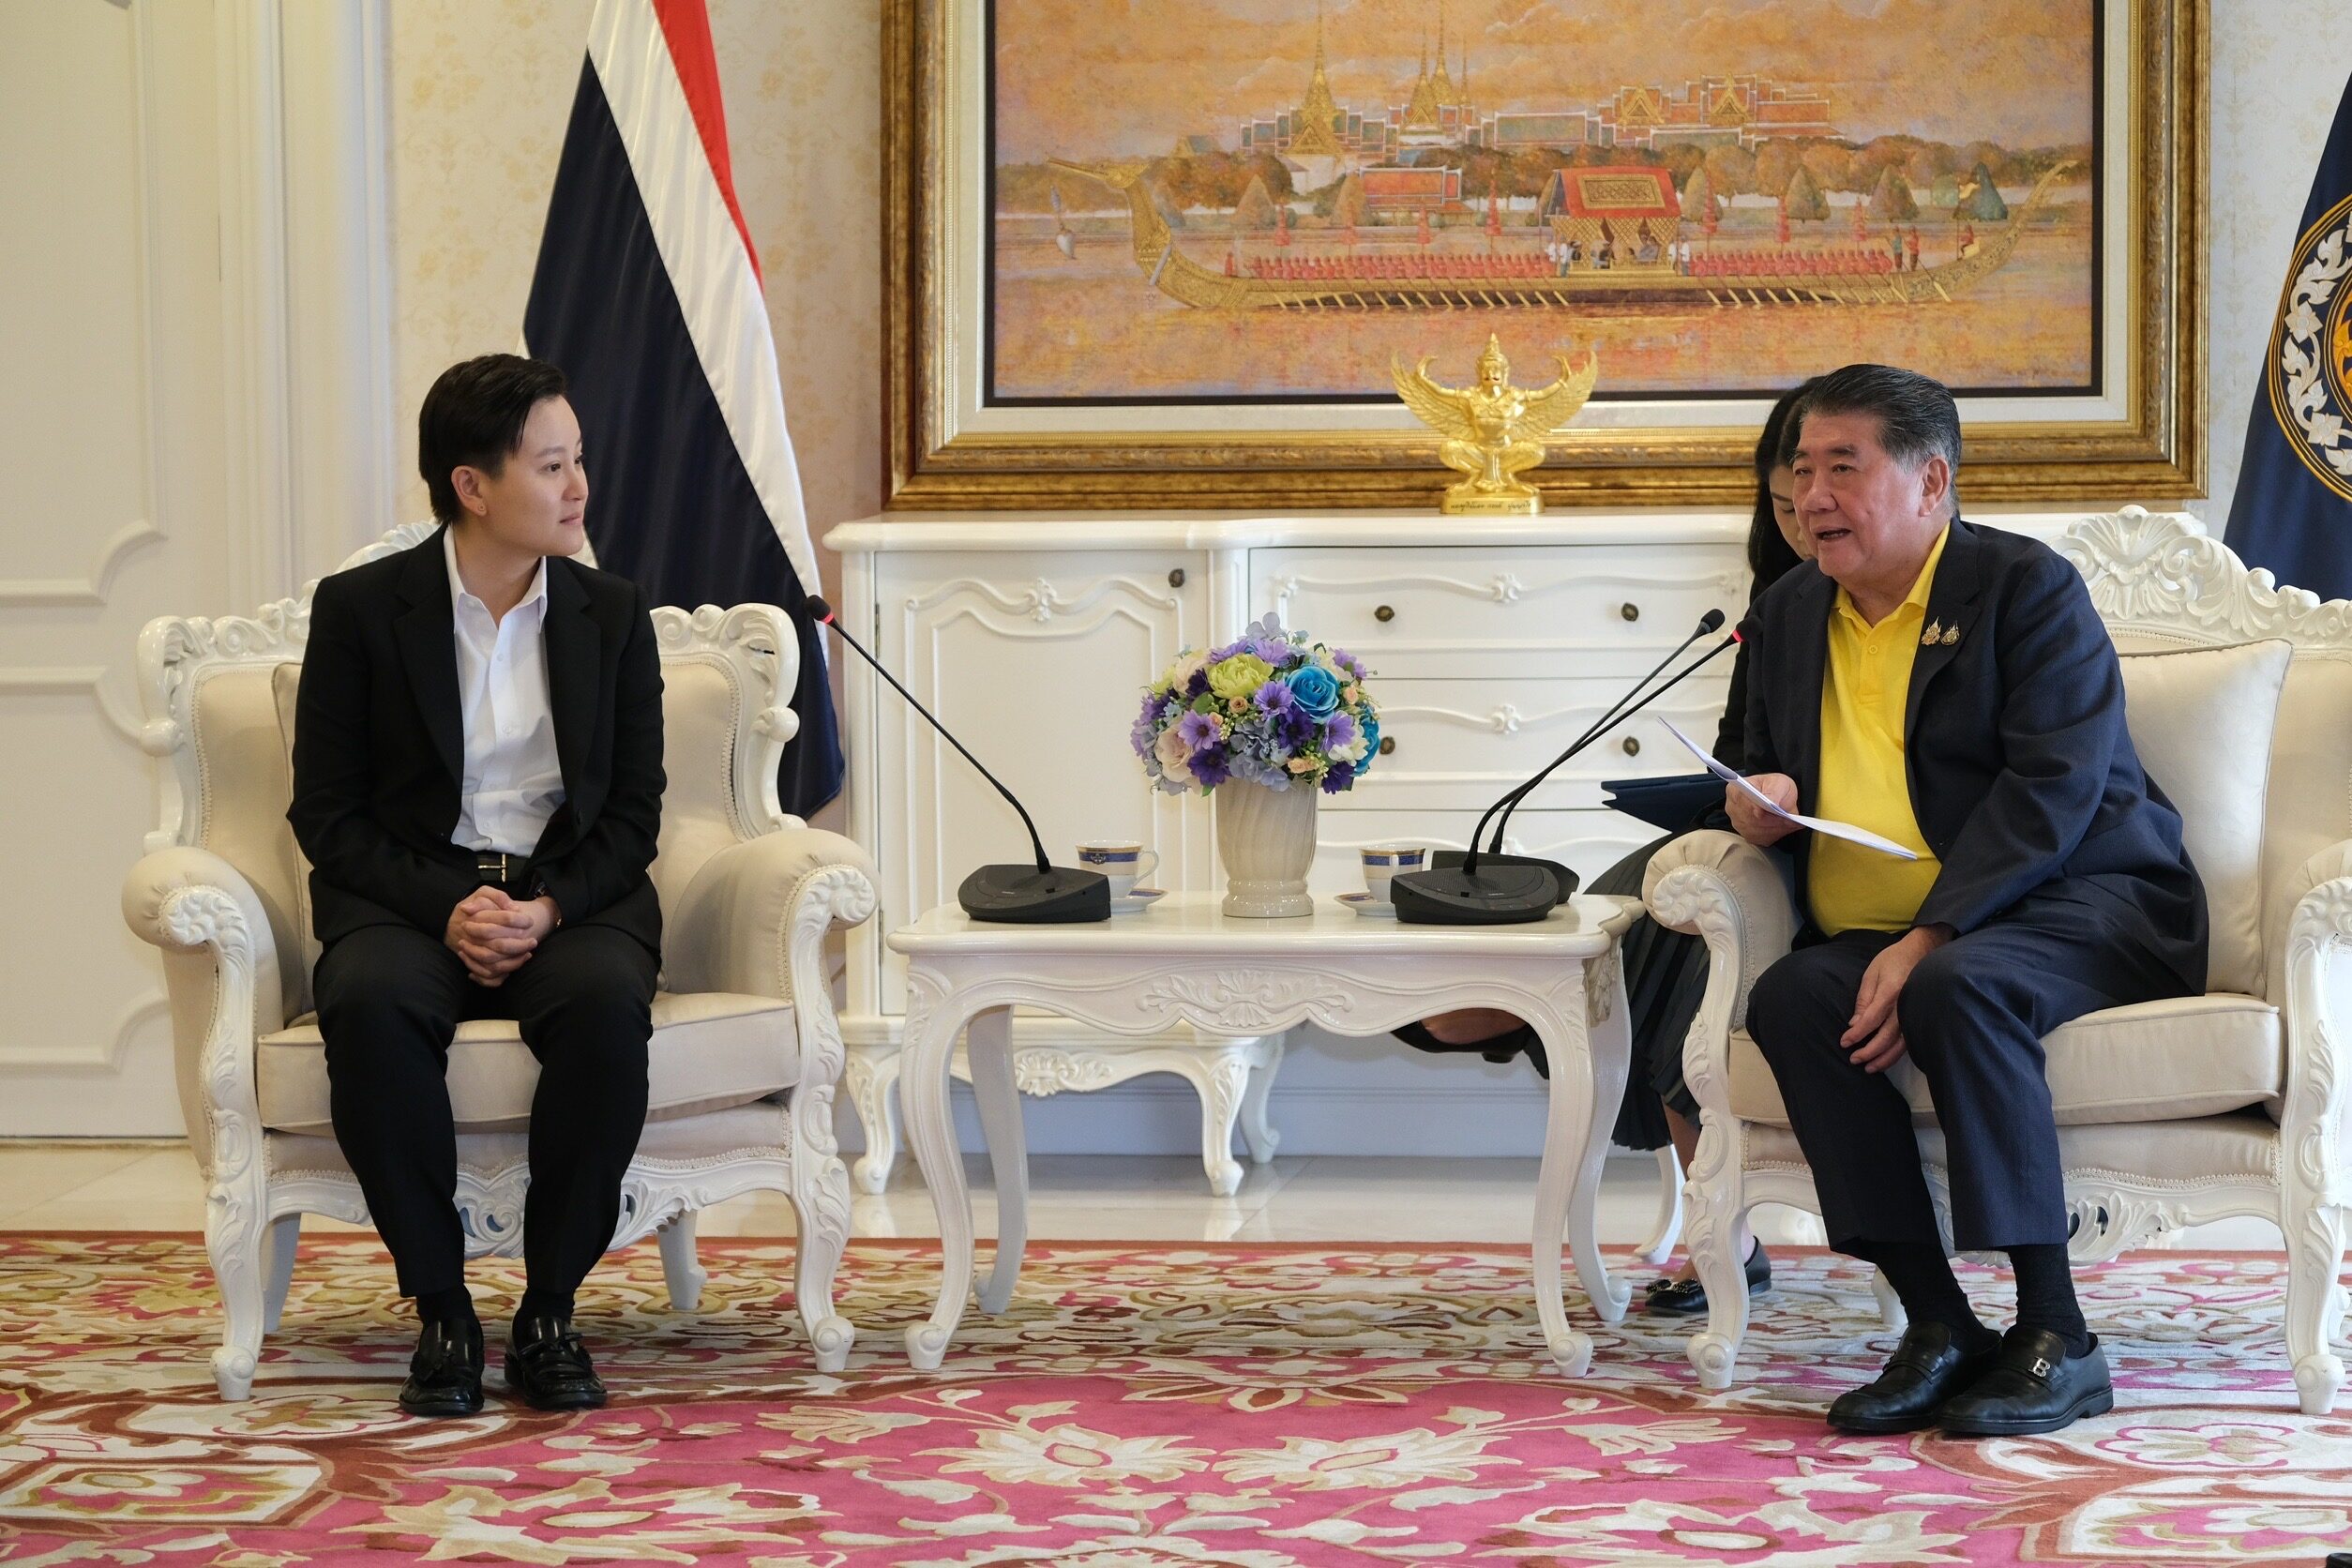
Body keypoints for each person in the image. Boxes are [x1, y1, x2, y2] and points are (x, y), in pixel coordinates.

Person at [1732, 364, 2205, 1437]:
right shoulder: (1790, 610)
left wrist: (1931, 933)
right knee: (1795, 998)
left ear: (1932, 481)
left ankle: (2058, 1335)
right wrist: (1759, 803)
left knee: (1959, 984)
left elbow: (2055, 788)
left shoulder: (2024, 587)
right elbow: (1754, 756)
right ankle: (1940, 1324)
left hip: (2087, 899)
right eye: (1801, 471)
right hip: (1885, 925)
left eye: (1843, 468)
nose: (1812, 497)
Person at [289, 354, 667, 1420]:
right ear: (472, 485)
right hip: (412, 896)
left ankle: (550, 1310)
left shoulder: (612, 613)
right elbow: (328, 814)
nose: (579, 487)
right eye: (551, 466)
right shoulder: (362, 611)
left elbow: (634, 815)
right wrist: (445, 907)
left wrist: (545, 907)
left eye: (578, 460)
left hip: (566, 895)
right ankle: (443, 1309)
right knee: (369, 1002)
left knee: (603, 1006)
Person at [1393, 379, 1821, 1315]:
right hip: (1753, 840)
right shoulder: (1777, 604)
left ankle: (1524, 1009)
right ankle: (1536, 1002)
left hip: (1833, 854)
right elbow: (1743, 745)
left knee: (1677, 921)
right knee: (1648, 892)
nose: (1804, 524)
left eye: (1819, 497)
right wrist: (1740, 791)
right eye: (1784, 507)